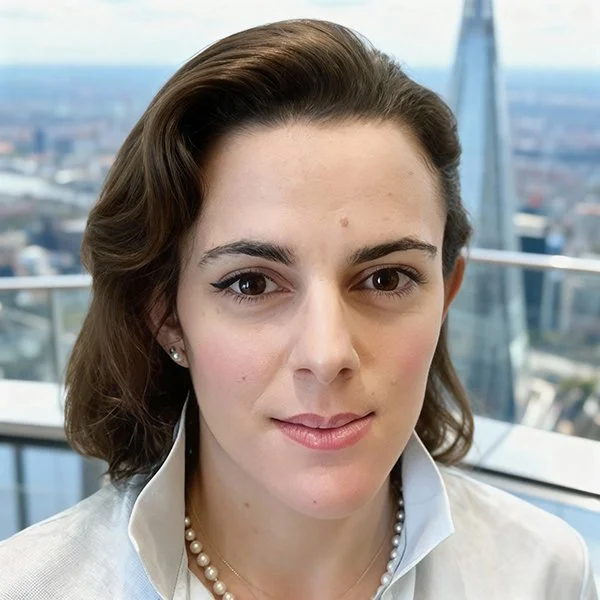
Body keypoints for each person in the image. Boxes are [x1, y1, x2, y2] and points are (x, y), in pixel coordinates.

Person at [0, 18, 596, 600]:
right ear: (166, 316)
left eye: (386, 279)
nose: (327, 354)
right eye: (252, 284)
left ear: (446, 295)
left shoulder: (544, 574)